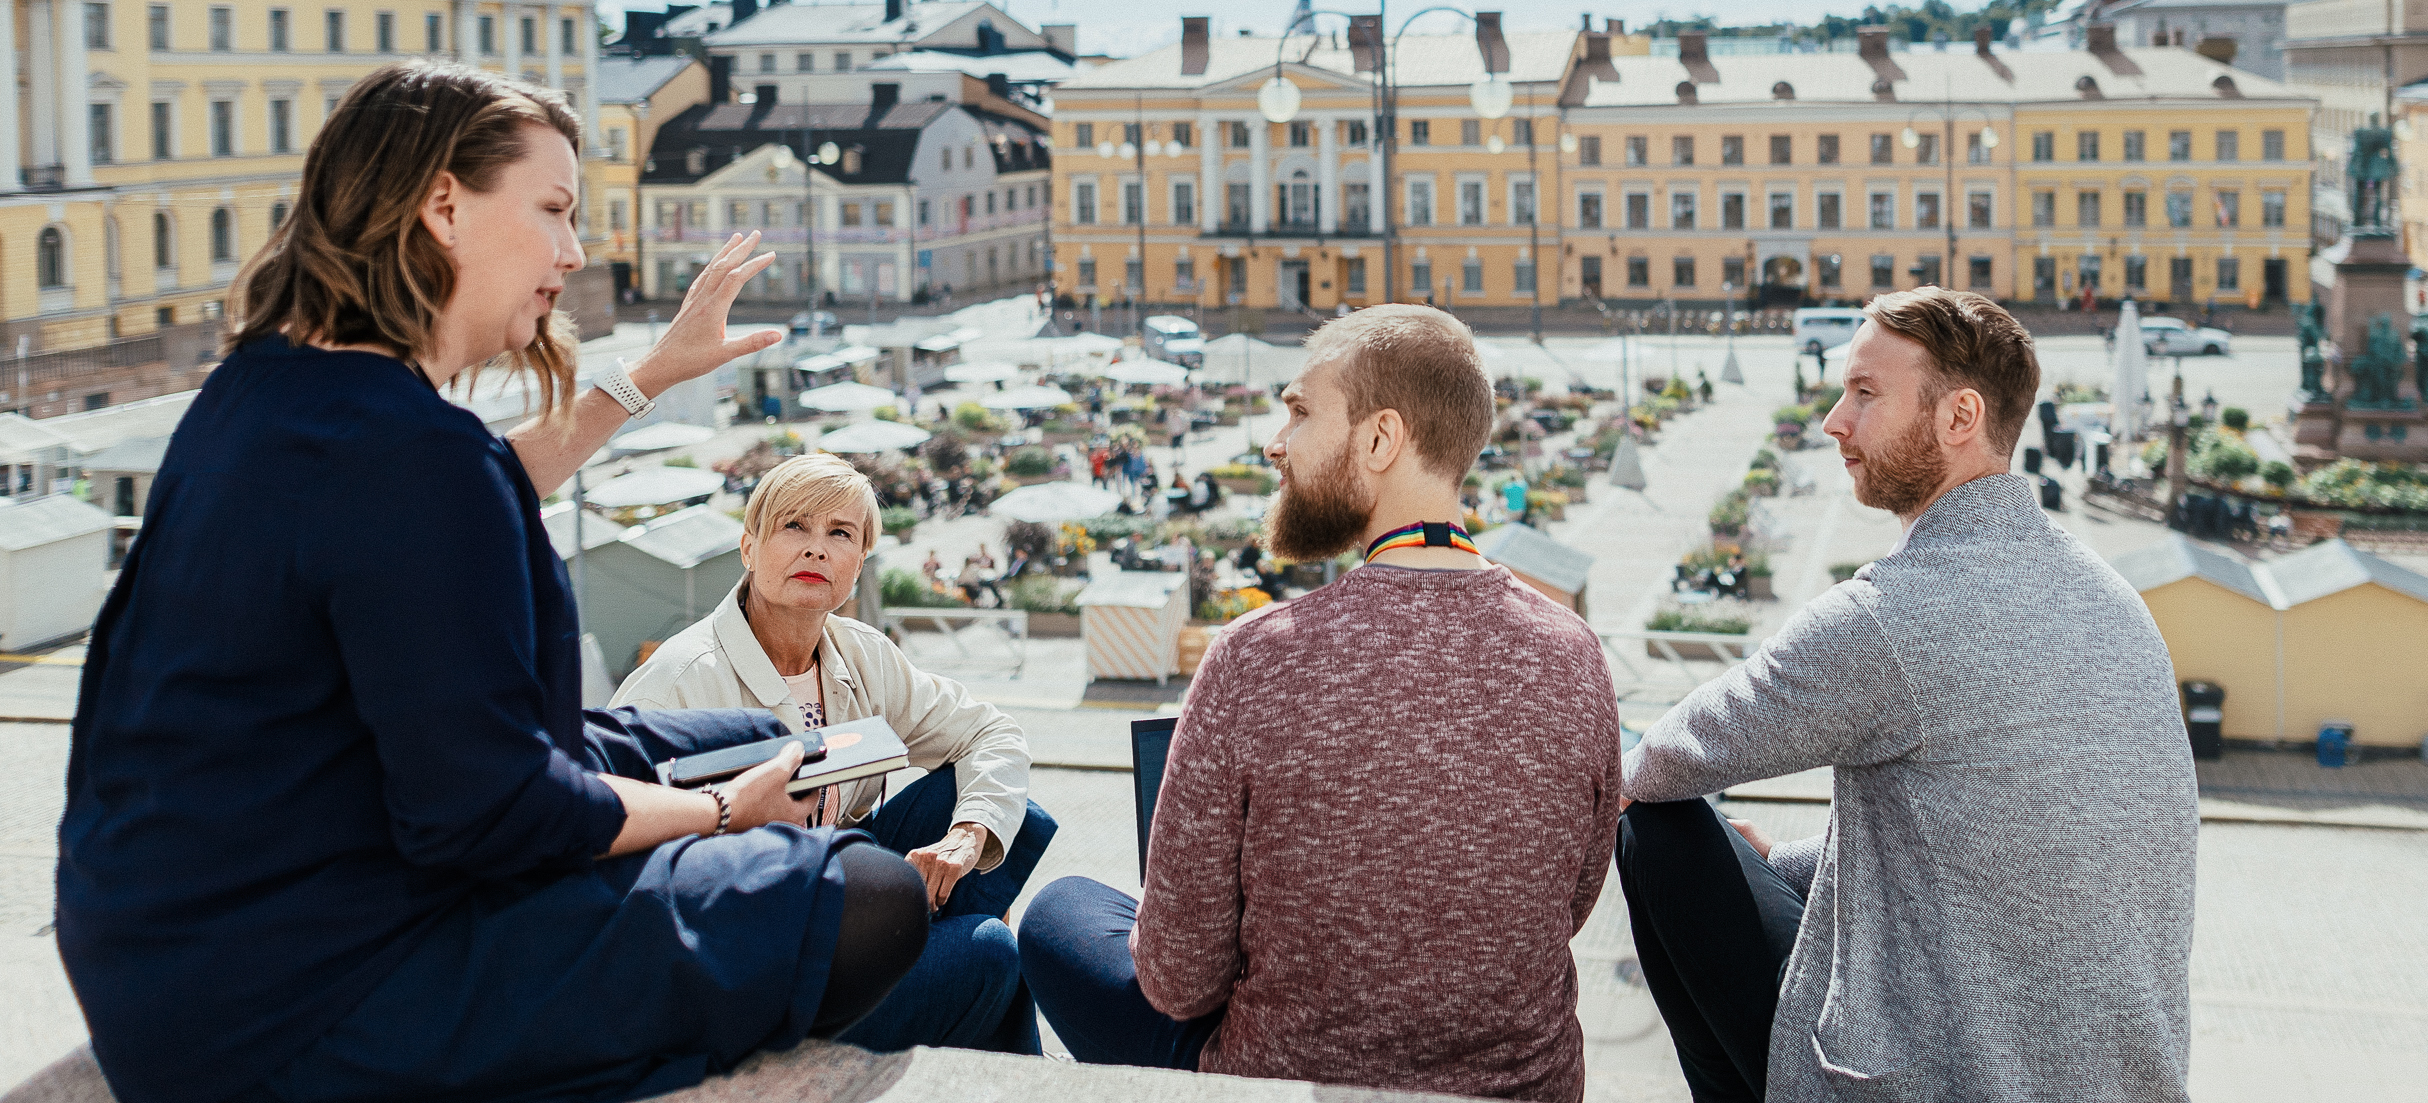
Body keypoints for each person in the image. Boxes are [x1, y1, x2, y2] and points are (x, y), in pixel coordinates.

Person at [59, 63, 929, 1103]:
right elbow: (492, 813)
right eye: (554, 210)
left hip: (184, 947)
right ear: (441, 204)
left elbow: (458, 503)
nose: (573, 250)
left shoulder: (263, 395)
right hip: (308, 994)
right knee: (871, 894)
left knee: (757, 732)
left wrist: (649, 372)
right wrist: (721, 818)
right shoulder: (410, 452)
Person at [1020, 305, 1620, 1099]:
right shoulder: (1576, 654)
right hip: (1525, 1087)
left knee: (1059, 911)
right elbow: (1570, 904)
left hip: (1285, 1083)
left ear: (1379, 440)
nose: (1276, 443)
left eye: (1300, 411)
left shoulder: (1257, 654)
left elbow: (1177, 982)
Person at [1615, 287, 2194, 1102]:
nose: (1833, 421)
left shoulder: (1894, 615)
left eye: (1864, 393)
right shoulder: (2112, 600)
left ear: (1959, 418)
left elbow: (1662, 762)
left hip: (1943, 1082)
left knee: (1660, 830)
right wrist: (1779, 862)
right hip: (2118, 1083)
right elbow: (1983, 849)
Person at [617, 453, 1056, 1056]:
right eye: (794, 526)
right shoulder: (677, 683)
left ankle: (939, 989)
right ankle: (945, 999)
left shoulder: (860, 654)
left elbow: (990, 732)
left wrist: (968, 834)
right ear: (748, 548)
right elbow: (609, 841)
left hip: (840, 896)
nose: (816, 549)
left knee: (1005, 818)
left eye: (840, 534)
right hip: (752, 950)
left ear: (858, 566)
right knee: (989, 952)